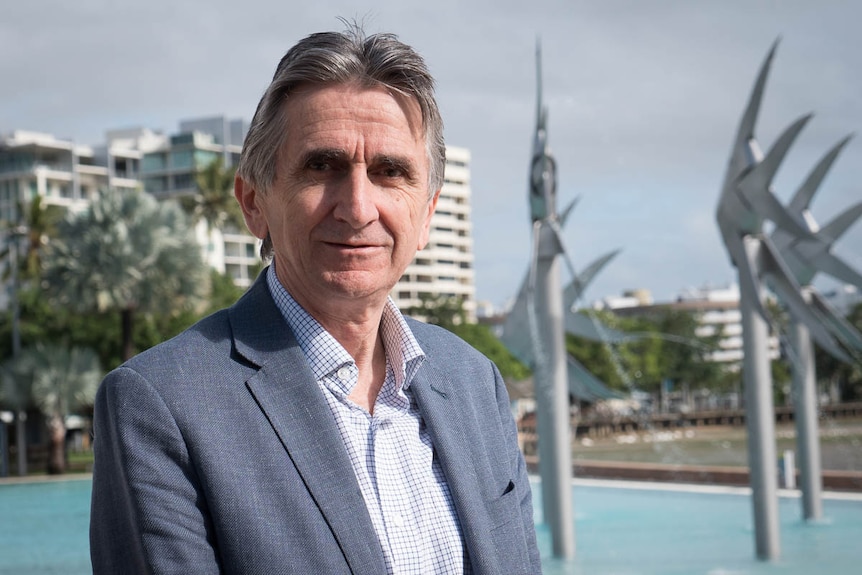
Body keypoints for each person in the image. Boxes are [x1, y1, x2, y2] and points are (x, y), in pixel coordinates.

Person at [89, 23, 541, 575]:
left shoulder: (474, 382)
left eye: (390, 172)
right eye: (322, 166)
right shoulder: (161, 406)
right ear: (254, 202)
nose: (357, 207)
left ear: (426, 214)